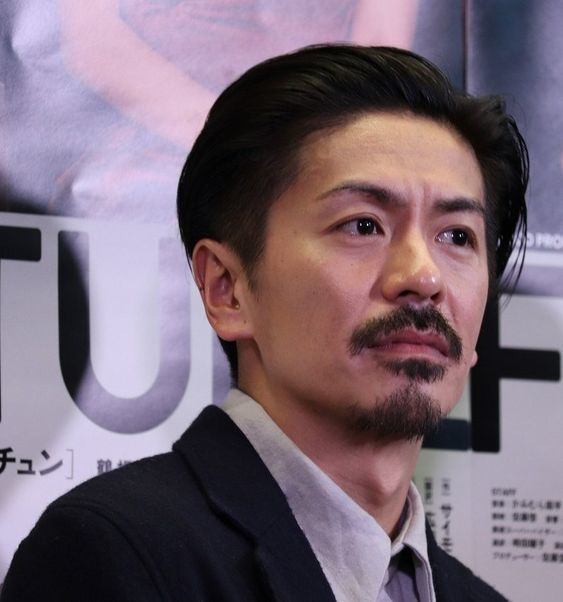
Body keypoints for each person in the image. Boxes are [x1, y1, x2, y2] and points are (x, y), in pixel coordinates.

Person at [1, 44, 527, 601]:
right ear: (227, 289)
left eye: (457, 236)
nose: (423, 276)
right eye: (363, 225)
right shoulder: (113, 553)